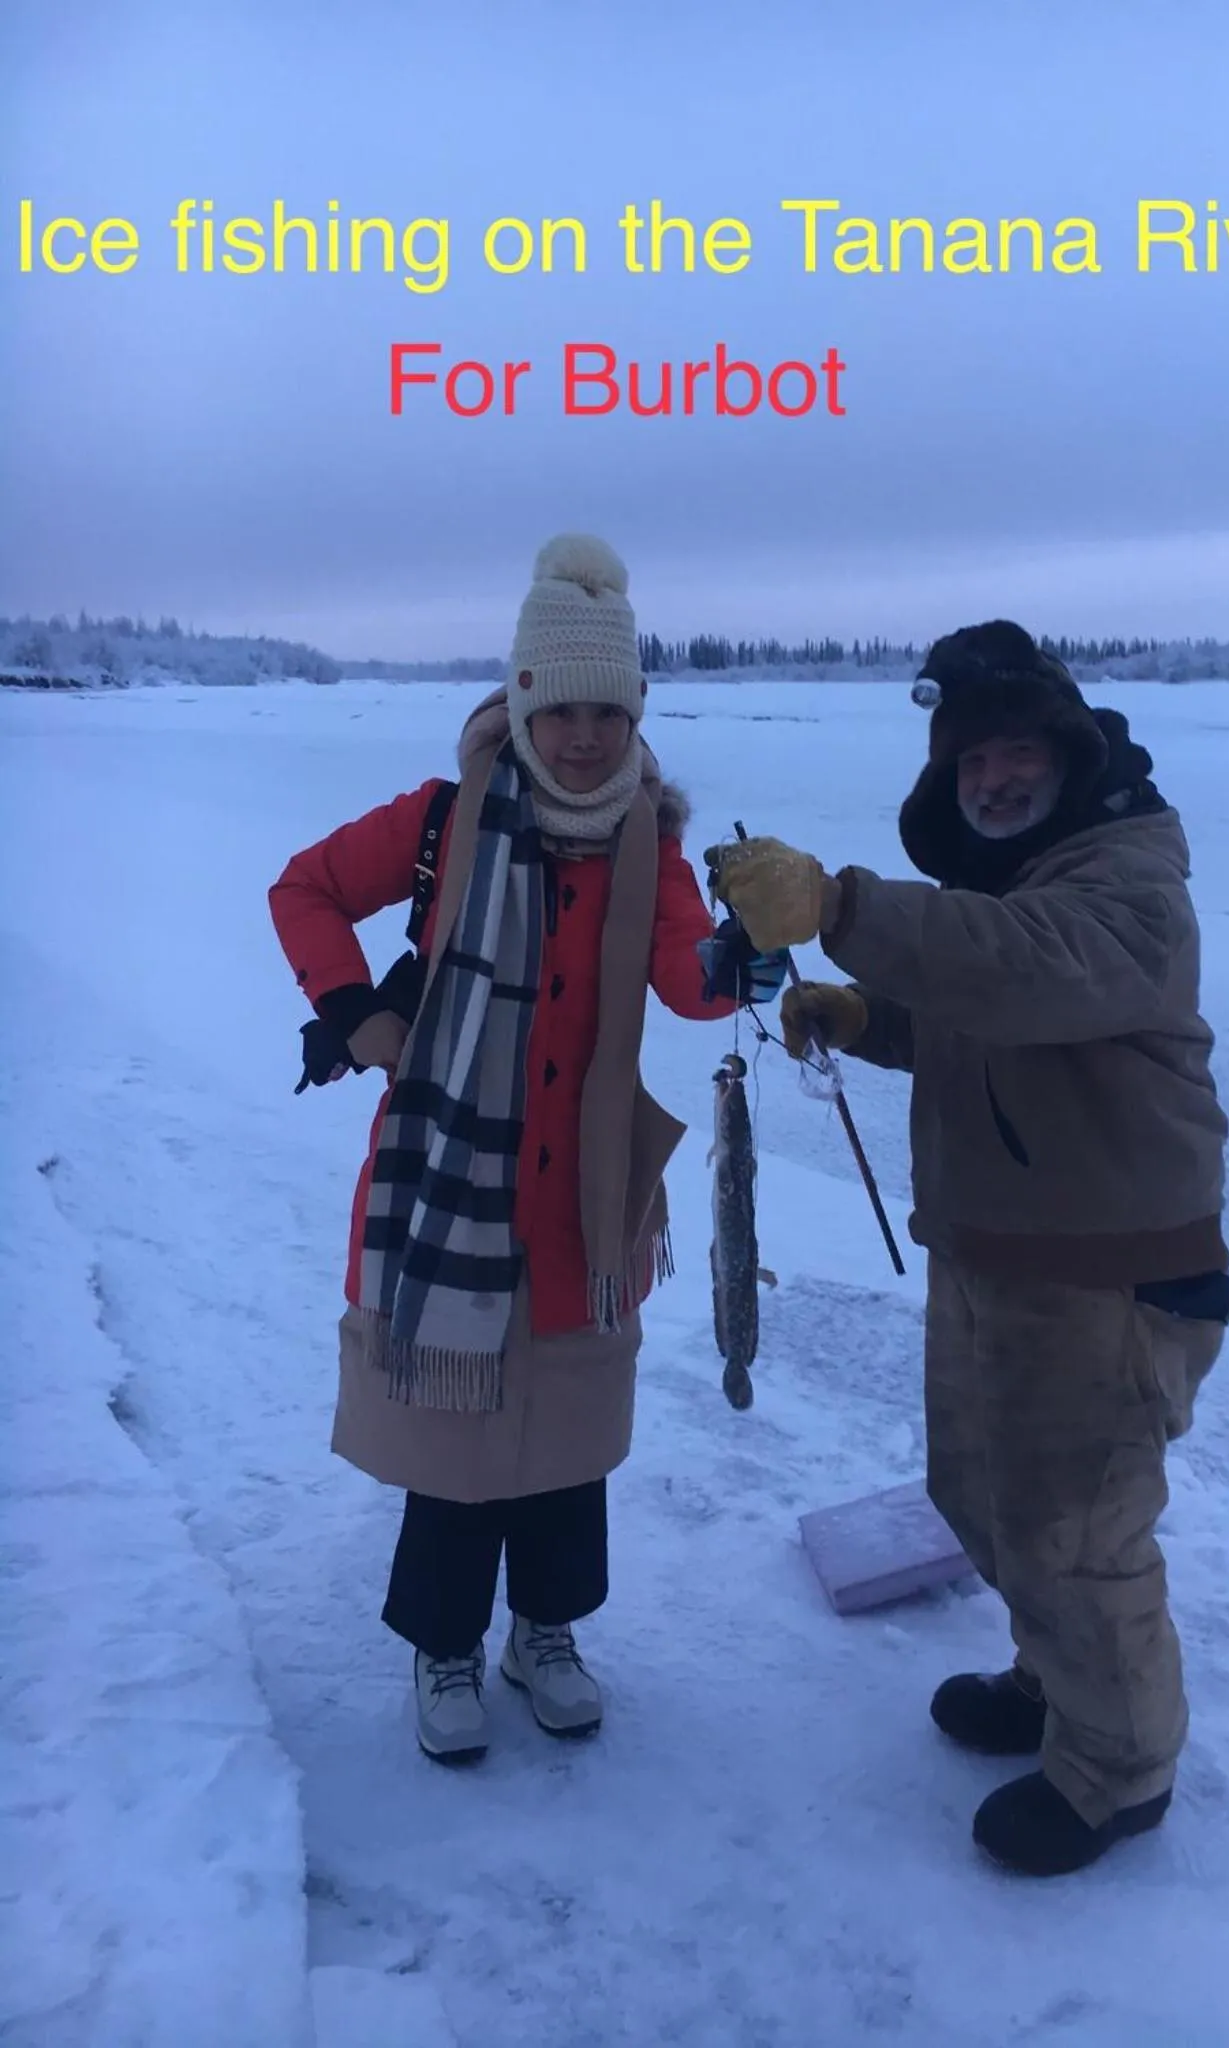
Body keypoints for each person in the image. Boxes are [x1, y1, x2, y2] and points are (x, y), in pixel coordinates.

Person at [705, 621, 1229, 1877]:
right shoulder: (1020, 884)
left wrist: (838, 910)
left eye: (1013, 753)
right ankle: (1058, 1683)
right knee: (990, 1501)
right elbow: (983, 1008)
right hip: (996, 1250)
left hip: (1108, 1274)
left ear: (1066, 751)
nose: (991, 779)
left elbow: (1026, 974)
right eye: (969, 761)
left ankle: (1119, 1771)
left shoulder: (1128, 882)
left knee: (1077, 1531)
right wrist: (869, 1013)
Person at [270, 534, 785, 1765]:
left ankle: (544, 1632)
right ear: (524, 702)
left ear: (637, 712)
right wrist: (358, 1012)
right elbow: (304, 889)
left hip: (585, 1196)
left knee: (563, 1443)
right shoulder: (447, 821)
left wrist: (741, 956)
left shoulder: (648, 845)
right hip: (458, 1183)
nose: (587, 737)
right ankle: (443, 1643)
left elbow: (683, 971)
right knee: (456, 1449)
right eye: (564, 709)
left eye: (612, 709)